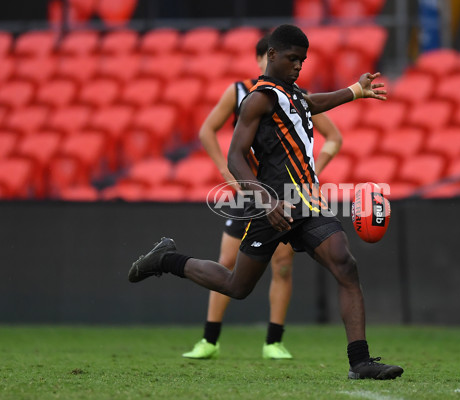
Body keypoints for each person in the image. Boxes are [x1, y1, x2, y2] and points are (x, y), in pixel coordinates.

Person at [128, 24, 404, 380]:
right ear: (272, 55)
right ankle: (166, 259)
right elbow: (235, 157)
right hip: (272, 204)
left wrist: (354, 90)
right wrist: (266, 200)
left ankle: (360, 361)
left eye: (302, 60)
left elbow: (311, 103)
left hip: (305, 201)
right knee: (236, 286)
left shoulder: (291, 93)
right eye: (292, 58)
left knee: (345, 264)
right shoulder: (258, 98)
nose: (298, 65)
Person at [183, 35, 343, 360]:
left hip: (285, 190)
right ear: (263, 58)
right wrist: (227, 173)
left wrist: (310, 174)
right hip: (249, 191)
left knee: (282, 265)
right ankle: (209, 338)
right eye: (260, 58)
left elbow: (333, 138)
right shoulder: (243, 92)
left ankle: (273, 340)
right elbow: (206, 131)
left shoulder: (293, 96)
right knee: (229, 263)